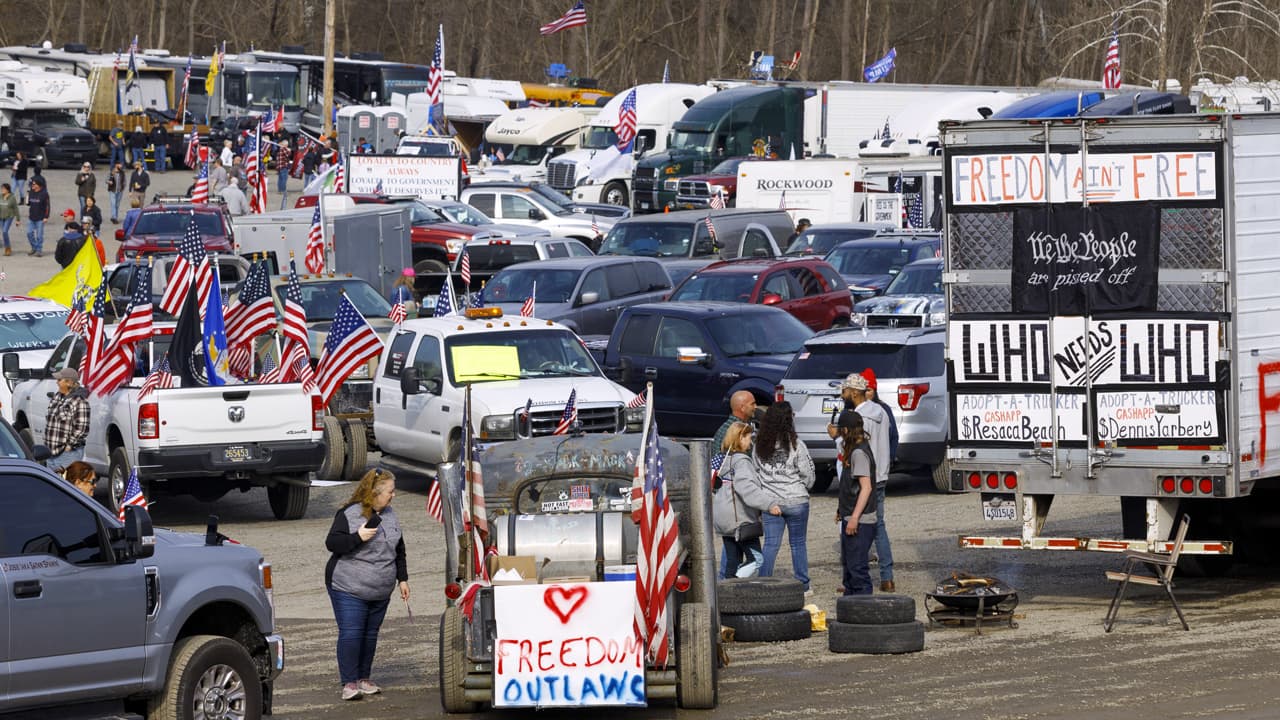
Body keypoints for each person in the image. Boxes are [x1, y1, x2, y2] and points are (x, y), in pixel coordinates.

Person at [325, 468, 409, 702]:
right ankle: (349, 683)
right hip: (349, 587)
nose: (393, 495)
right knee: (352, 633)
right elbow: (332, 543)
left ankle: (364, 678)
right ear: (374, 492)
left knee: (370, 634)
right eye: (390, 491)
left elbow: (399, 550)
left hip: (380, 590)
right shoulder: (350, 514)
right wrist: (357, 537)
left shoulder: (391, 516)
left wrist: (403, 579)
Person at [829, 372, 894, 592]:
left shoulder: (858, 417)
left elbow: (849, 446)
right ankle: (887, 577)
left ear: (854, 393)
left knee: (856, 523)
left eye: (845, 391)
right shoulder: (881, 411)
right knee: (878, 526)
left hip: (862, 475)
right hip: (881, 472)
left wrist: (836, 436)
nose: (842, 395)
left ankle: (855, 578)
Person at [752, 401, 816, 594]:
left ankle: (763, 583)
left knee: (771, 544)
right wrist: (803, 487)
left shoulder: (758, 446)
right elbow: (807, 473)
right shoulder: (797, 444)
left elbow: (756, 473)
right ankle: (803, 584)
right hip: (796, 499)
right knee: (798, 544)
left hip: (771, 502)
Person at [713, 422, 769, 579]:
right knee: (756, 560)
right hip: (740, 519)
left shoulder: (722, 459)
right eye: (748, 438)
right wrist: (769, 504)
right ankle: (735, 582)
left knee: (733, 559)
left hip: (724, 519)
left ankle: (728, 588)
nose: (750, 443)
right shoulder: (742, 461)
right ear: (740, 438)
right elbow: (747, 489)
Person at [834, 410, 877, 595]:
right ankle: (849, 606)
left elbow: (866, 488)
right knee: (850, 571)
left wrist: (854, 518)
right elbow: (849, 485)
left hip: (861, 519)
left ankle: (864, 607)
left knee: (858, 570)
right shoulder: (854, 449)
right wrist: (841, 509)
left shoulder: (858, 453)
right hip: (850, 514)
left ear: (845, 430)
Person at [45, 367, 89, 472]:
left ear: (69, 383)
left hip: (68, 454)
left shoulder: (80, 401)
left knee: (66, 481)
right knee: (50, 482)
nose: (57, 382)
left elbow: (82, 428)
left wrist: (69, 445)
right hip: (51, 453)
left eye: (59, 380)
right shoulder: (57, 397)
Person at [25, 176, 49, 257]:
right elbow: (28, 204)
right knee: (29, 233)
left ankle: (39, 250)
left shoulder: (44, 194)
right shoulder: (31, 192)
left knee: (39, 236)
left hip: (40, 218)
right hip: (31, 217)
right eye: (32, 184)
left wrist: (46, 217)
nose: (32, 185)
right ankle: (34, 247)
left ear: (39, 185)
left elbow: (47, 206)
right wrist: (27, 195)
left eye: (34, 184)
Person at [0, 182, 17, 256]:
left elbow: (16, 208)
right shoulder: (0, 196)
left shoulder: (12, 198)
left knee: (4, 231)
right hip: (1, 217)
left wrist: (18, 219)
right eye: (1, 188)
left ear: (8, 190)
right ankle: (7, 247)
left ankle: (8, 248)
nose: (2, 190)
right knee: (4, 233)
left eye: (3, 188)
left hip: (9, 217)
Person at [275, 139, 291, 209]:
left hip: (279, 166)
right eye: (287, 145)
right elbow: (288, 154)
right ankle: (283, 191)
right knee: (284, 179)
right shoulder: (283, 149)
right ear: (285, 144)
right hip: (283, 166)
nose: (287, 146)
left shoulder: (279, 149)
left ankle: (279, 190)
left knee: (280, 179)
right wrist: (289, 150)